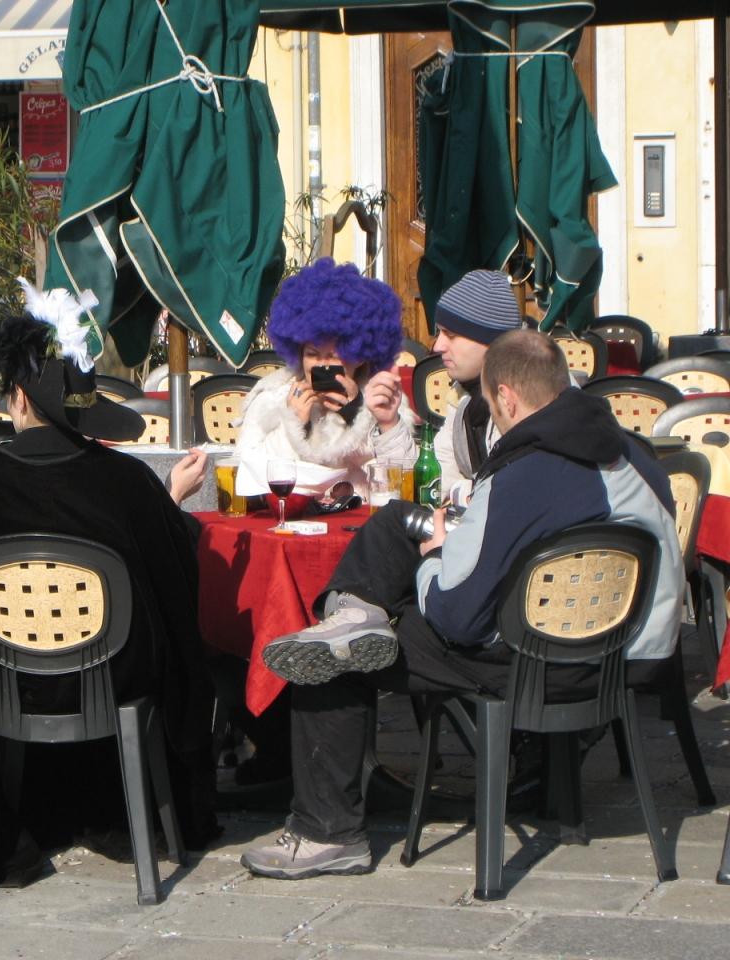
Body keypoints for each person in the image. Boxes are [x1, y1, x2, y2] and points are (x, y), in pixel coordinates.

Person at [241, 329, 683, 880]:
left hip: (546, 662)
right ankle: (356, 613)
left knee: (332, 656)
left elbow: (458, 616)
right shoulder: (633, 452)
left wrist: (434, 558)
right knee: (392, 526)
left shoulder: (523, 474)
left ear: (507, 399)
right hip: (631, 652)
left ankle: (325, 833)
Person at [0, 282, 219, 887]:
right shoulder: (127, 482)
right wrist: (169, 501)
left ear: (16, 397)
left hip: (1, 681)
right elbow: (169, 582)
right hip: (111, 680)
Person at [235, 258, 415, 495]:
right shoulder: (272, 397)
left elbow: (402, 482)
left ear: (359, 356)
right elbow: (248, 474)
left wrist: (359, 418)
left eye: (333, 356)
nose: (321, 365)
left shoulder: (380, 398)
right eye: (312, 354)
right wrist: (294, 425)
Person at [427, 269, 525, 497]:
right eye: (439, 333)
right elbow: (436, 474)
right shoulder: (464, 393)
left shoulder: (529, 396)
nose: (437, 346)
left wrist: (461, 491)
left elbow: (510, 490)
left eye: (450, 334)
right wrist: (390, 425)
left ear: (490, 341)